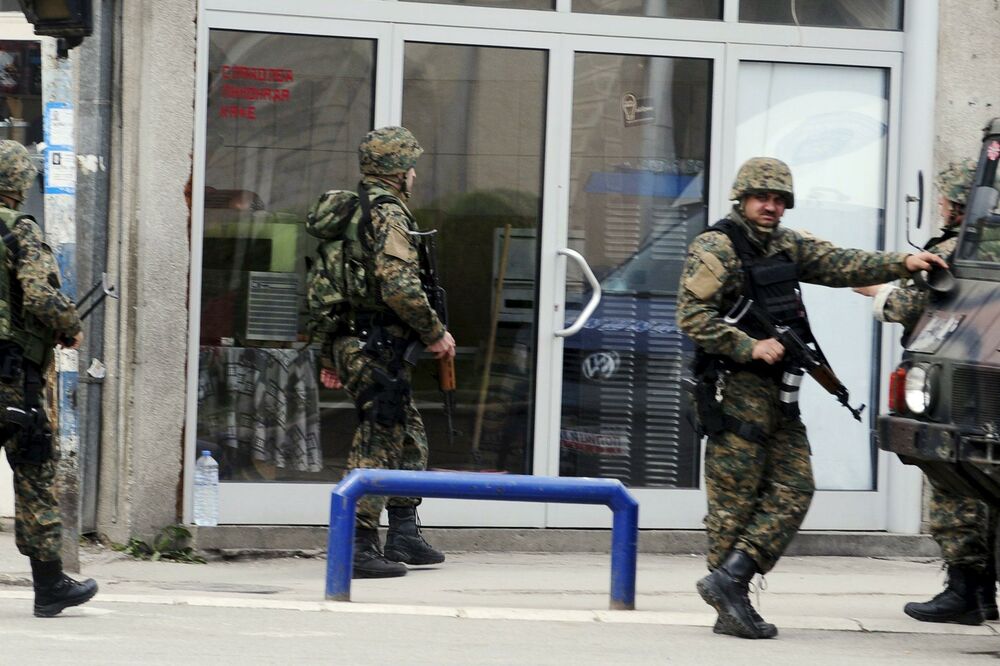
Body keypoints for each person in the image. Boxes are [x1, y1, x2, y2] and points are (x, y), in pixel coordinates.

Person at [676, 156, 948, 639]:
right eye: (763, 197)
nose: (772, 206)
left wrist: (903, 262)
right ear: (743, 197)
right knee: (732, 504)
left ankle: (730, 579)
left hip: (780, 396)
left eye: (780, 199)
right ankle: (729, 603)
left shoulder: (787, 245)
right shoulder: (716, 247)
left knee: (796, 488)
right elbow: (691, 316)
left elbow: (843, 263)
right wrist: (749, 345)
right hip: (734, 391)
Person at [855, 159, 997, 626]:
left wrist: (868, 287)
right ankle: (975, 592)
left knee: (956, 483)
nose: (938, 202)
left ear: (956, 204)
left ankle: (966, 589)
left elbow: (915, 304)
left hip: (966, 380)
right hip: (979, 373)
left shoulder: (959, 249)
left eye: (943, 196)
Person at [318, 126, 455, 579]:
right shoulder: (387, 213)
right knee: (381, 434)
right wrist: (435, 332)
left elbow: (327, 284)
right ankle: (356, 543)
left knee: (409, 432)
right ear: (397, 171)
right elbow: (398, 285)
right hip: (371, 342)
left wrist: (328, 354)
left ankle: (402, 533)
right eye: (410, 164)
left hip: (353, 339)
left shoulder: (354, 210)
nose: (415, 173)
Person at [0, 139, 97, 616]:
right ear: (19, 182)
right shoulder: (20, 232)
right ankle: (49, 585)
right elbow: (38, 296)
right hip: (13, 379)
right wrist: (69, 326)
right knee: (36, 471)